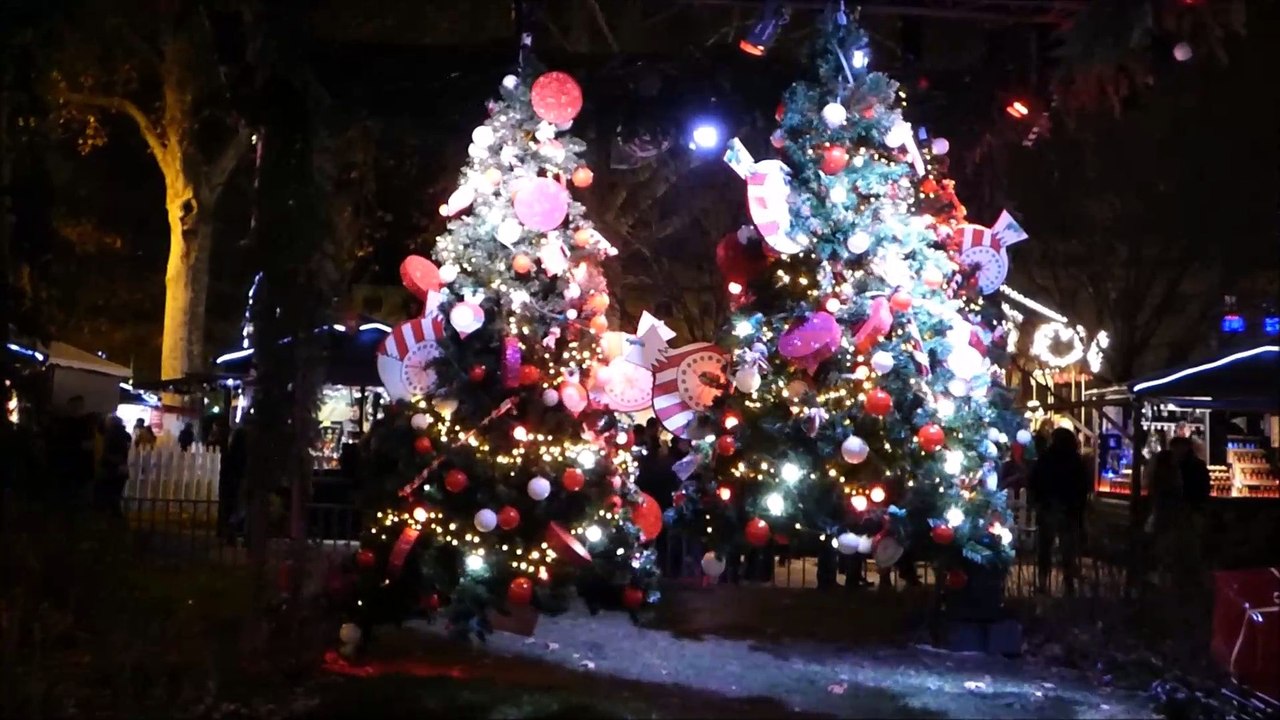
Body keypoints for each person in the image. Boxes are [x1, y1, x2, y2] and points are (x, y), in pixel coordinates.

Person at [1028, 427, 1090, 595]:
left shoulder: (1046, 459)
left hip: (1049, 507)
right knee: (1067, 549)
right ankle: (1068, 582)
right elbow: (1083, 487)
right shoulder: (1075, 461)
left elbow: (1034, 482)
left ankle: (1043, 582)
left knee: (1045, 548)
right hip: (1068, 509)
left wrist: (1038, 502)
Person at [96, 415, 132, 518]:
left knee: (108, 493)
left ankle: (111, 517)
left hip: (110, 468)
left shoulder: (110, 435)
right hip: (122, 467)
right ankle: (117, 516)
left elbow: (107, 451)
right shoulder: (126, 435)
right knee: (116, 493)